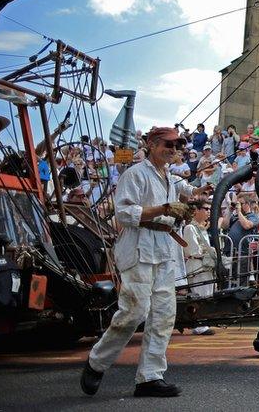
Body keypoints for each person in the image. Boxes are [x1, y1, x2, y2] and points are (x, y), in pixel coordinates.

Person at [81, 126, 209, 398]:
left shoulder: (171, 179)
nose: (173, 150)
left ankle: (150, 377)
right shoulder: (135, 174)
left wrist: (199, 193)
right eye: (168, 144)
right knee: (135, 312)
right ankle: (97, 362)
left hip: (163, 250)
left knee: (163, 315)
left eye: (177, 146)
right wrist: (163, 209)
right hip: (139, 248)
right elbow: (125, 214)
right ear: (151, 144)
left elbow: (189, 190)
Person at [181, 200, 216, 336]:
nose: (208, 211)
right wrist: (210, 251)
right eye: (206, 209)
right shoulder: (190, 228)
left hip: (205, 264)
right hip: (196, 264)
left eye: (209, 209)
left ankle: (203, 322)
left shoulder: (200, 228)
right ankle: (199, 325)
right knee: (199, 294)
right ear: (196, 210)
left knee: (206, 294)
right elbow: (193, 250)